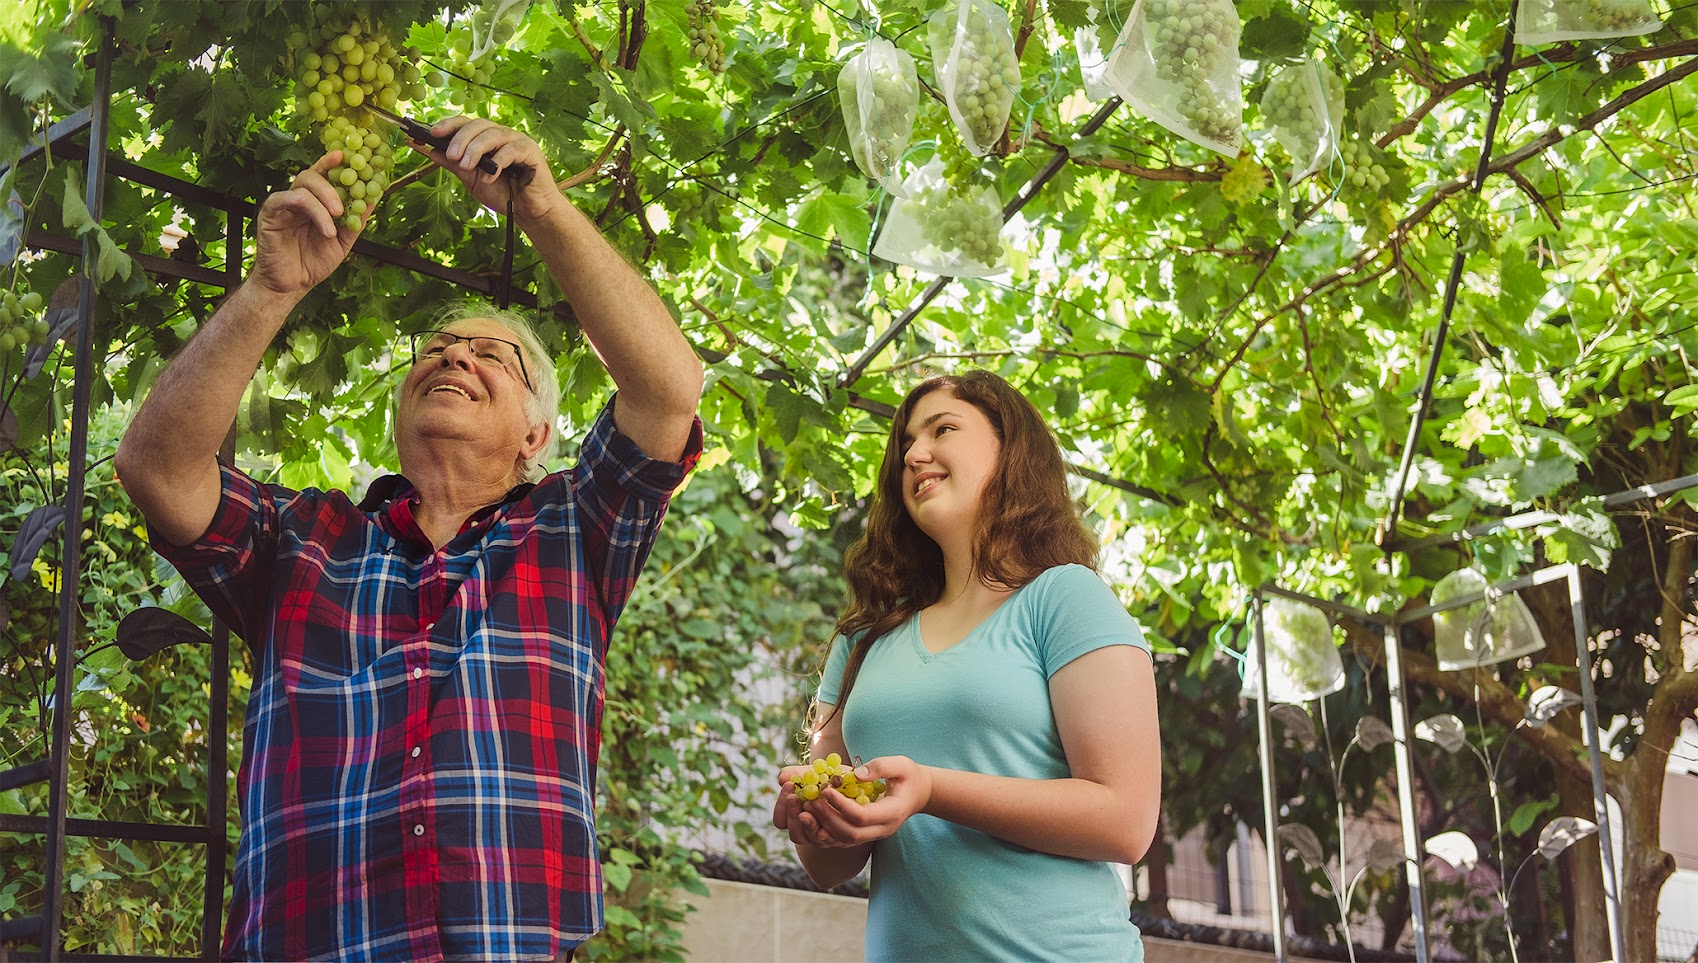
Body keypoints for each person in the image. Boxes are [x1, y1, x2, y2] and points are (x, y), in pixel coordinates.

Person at [115, 117, 703, 961]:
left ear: (536, 436)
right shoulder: (304, 540)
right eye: (438, 348)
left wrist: (539, 205)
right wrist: (270, 289)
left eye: (493, 355)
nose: (456, 357)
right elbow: (156, 468)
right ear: (401, 413)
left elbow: (668, 387)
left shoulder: (576, 529)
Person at [772, 370, 1160, 962]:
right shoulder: (862, 639)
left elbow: (1127, 822)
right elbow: (833, 868)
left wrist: (931, 789)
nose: (915, 454)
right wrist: (818, 819)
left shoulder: (1065, 598)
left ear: (1010, 451)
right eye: (905, 446)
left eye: (942, 429)